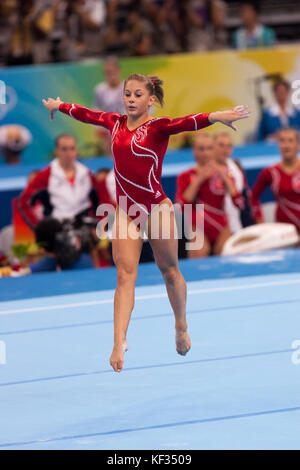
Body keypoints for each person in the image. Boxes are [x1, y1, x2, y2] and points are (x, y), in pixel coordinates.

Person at [42, 74, 250, 372]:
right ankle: (118, 341)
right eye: (127, 94)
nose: (130, 99)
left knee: (169, 271)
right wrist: (59, 105)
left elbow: (188, 121)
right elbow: (86, 114)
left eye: (138, 95)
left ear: (150, 99)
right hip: (126, 211)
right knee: (125, 274)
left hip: (157, 209)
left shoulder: (157, 127)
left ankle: (180, 324)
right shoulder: (113, 122)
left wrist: (217, 117)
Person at [18, 134, 100, 268]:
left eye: (72, 149)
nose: (68, 153)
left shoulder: (86, 173)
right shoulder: (46, 176)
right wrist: (39, 228)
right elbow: (23, 202)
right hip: (57, 232)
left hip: (82, 230)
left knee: (88, 267)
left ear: (77, 150)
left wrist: (98, 224)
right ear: (56, 151)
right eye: (64, 149)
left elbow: (100, 201)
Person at [176, 133, 245, 258]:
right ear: (194, 151)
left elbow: (239, 202)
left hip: (221, 226)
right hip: (198, 226)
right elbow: (181, 205)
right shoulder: (186, 175)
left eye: (209, 148)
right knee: (199, 255)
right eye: (201, 149)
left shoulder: (226, 173)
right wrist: (200, 178)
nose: (206, 153)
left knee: (227, 257)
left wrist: (222, 174)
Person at [252, 128, 300, 234]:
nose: (286, 145)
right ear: (278, 145)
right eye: (282, 141)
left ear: (297, 145)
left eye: (290, 141)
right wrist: (260, 222)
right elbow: (253, 198)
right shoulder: (270, 172)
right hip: (284, 230)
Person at [215, 132, 254, 232]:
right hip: (211, 221)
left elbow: (241, 200)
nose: (225, 149)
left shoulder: (236, 169)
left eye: (229, 146)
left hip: (234, 223)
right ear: (213, 146)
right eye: (221, 145)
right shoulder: (204, 168)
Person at [93, 57, 125, 155]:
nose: (110, 75)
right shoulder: (100, 90)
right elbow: (96, 109)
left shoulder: (128, 87)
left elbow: (146, 107)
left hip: (128, 128)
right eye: (107, 73)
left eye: (112, 72)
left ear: (119, 71)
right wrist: (98, 127)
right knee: (107, 150)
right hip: (110, 130)